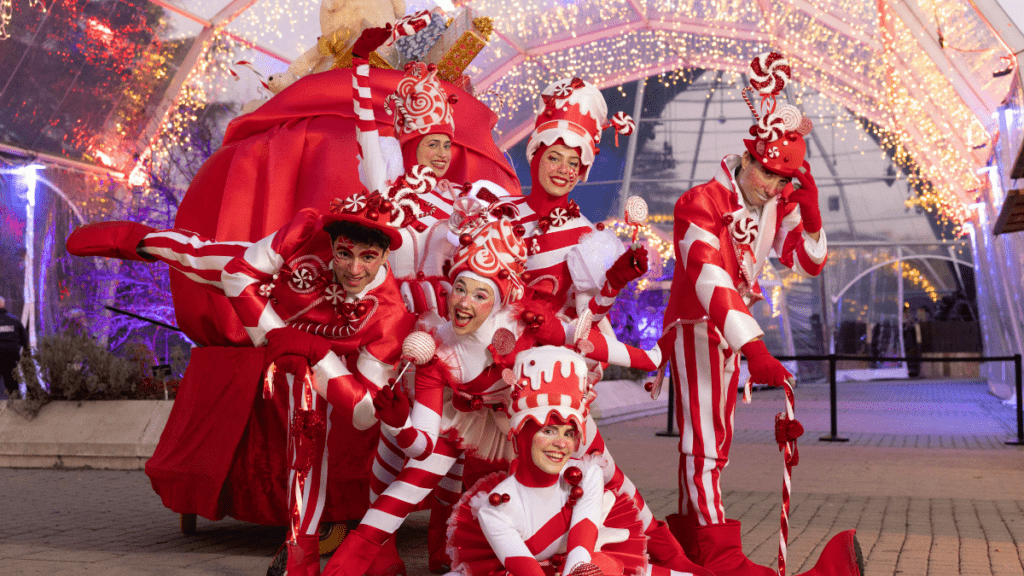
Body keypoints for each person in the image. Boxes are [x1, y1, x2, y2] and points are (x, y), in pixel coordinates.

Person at [65, 188, 416, 576]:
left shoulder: (390, 317)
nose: (353, 269)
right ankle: (138, 239)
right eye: (344, 253)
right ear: (330, 245)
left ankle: (302, 546)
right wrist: (275, 320)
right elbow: (235, 277)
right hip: (266, 290)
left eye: (368, 257)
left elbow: (365, 412)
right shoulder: (305, 237)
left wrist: (317, 353)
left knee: (308, 428)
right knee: (196, 256)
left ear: (385, 256)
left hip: (312, 356)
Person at [322, 216, 673, 576]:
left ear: (498, 301)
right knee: (414, 481)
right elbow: (421, 446)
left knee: (608, 470)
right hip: (464, 413)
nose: (464, 303)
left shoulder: (522, 322)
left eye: (480, 294)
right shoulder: (436, 352)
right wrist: (399, 426)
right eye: (460, 289)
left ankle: (671, 554)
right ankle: (344, 567)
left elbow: (582, 336)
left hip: (526, 410)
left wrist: (649, 351)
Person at [662, 52, 860, 576]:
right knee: (703, 439)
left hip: (733, 330)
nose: (773, 189)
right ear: (747, 157)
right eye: (768, 176)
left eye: (783, 182)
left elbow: (809, 262)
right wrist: (754, 348)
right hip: (698, 324)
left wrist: (811, 216)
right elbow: (710, 279)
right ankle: (720, 558)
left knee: (714, 438)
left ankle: (697, 544)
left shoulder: (774, 202)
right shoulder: (698, 201)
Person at [446, 345, 711, 576]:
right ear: (520, 438)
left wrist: (581, 571)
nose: (562, 444)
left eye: (569, 433)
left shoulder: (587, 476)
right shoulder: (496, 508)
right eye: (548, 430)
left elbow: (580, 553)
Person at [0, 296, 28, 397]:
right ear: (4, 304)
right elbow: (24, 340)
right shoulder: (14, 320)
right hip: (11, 358)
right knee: (12, 386)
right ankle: (15, 405)